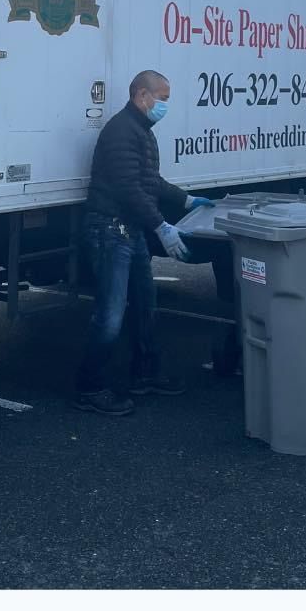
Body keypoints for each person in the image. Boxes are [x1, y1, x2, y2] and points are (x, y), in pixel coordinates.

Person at [74, 70, 211, 416]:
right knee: (110, 315)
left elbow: (150, 181)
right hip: (109, 232)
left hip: (129, 232)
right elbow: (128, 189)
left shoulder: (142, 131)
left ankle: (146, 374)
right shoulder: (122, 131)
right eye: (162, 97)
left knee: (145, 305)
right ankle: (90, 388)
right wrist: (162, 226)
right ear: (142, 96)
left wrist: (186, 200)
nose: (165, 104)